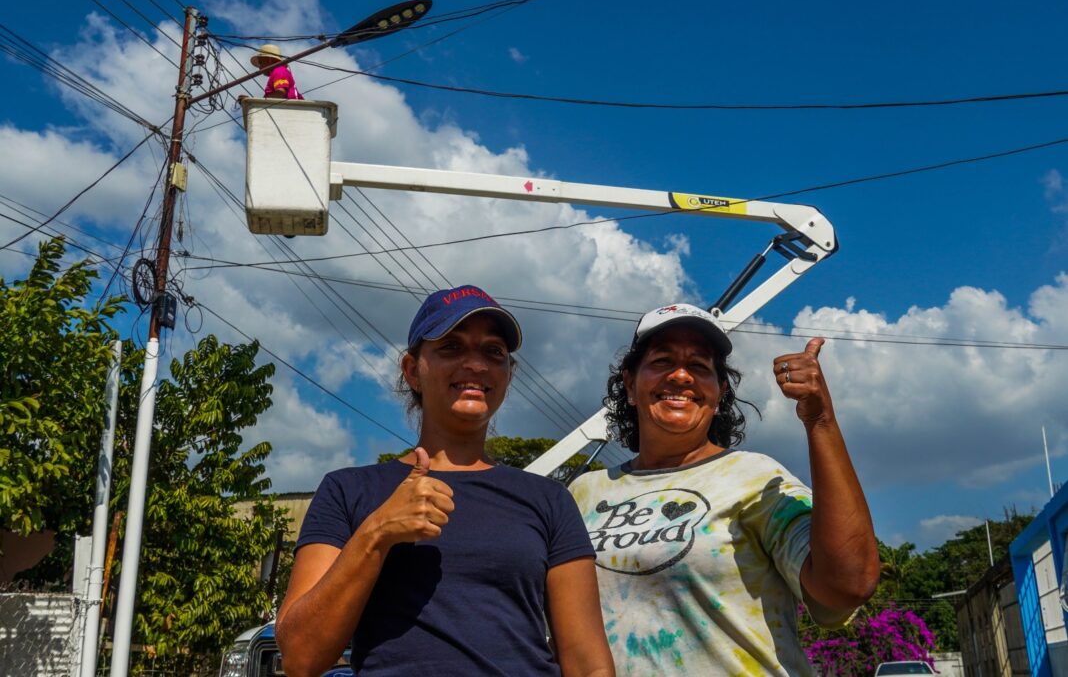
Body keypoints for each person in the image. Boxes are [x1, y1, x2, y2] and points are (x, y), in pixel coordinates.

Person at [276, 285, 615, 677]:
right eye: (451, 347)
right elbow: (300, 658)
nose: (475, 364)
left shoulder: (549, 500)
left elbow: (588, 664)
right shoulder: (347, 490)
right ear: (411, 370)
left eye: (493, 352)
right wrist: (376, 533)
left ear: (507, 374)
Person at [569, 303, 879, 676]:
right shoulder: (582, 493)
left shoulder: (755, 477)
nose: (681, 375)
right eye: (662, 361)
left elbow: (848, 586)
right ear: (630, 385)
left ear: (719, 394)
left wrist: (820, 419)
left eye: (700, 366)